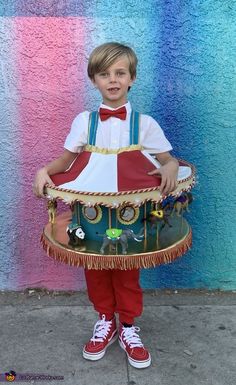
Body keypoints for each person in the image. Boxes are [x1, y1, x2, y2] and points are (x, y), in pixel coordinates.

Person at [33, 42, 179, 369]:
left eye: (119, 73)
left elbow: (167, 160)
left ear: (131, 79)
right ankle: (105, 320)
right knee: (95, 265)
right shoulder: (85, 122)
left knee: (127, 267)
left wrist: (169, 168)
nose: (112, 80)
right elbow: (67, 160)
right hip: (92, 212)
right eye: (104, 74)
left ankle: (127, 324)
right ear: (94, 80)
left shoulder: (144, 124)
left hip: (130, 212)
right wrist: (45, 170)